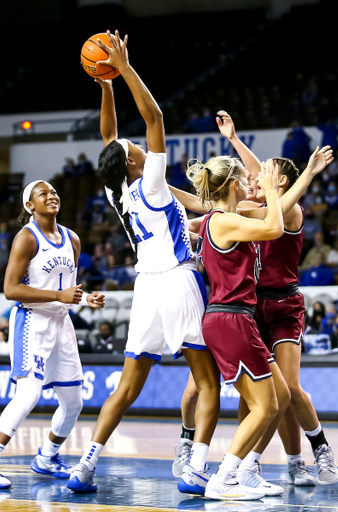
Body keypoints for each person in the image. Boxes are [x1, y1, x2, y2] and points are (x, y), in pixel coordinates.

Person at [67, 30, 221, 496]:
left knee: (127, 387)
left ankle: (85, 465)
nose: (137, 145)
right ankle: (195, 469)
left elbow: (109, 137)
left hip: (145, 290)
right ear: (136, 162)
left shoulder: (118, 190)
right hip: (177, 281)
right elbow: (153, 114)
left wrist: (107, 85)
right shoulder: (152, 181)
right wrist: (126, 66)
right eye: (136, 148)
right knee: (207, 380)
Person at [171, 111, 338, 487]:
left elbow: (267, 198)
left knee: (285, 390)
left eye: (263, 173)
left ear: (277, 181)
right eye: (249, 177)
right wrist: (161, 190)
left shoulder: (286, 209)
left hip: (279, 304)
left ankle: (309, 452)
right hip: (243, 308)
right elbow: (207, 199)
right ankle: (242, 465)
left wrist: (307, 174)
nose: (254, 176)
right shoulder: (241, 211)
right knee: (246, 394)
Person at [178, 153, 292, 501]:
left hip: (237, 317)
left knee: (281, 397)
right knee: (266, 407)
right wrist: (272, 190)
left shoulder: (225, 218)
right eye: (246, 178)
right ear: (232, 184)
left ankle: (245, 470)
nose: (250, 183)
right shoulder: (223, 221)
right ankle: (225, 477)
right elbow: (275, 227)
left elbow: (277, 218)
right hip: (231, 318)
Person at [0, 180, 105, 490]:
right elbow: (10, 289)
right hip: (32, 321)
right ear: (29, 205)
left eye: (55, 192)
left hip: (62, 323)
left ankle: (47, 457)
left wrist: (86, 299)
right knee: (29, 394)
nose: (52, 196)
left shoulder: (72, 238)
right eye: (43, 193)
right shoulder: (26, 238)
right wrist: (60, 296)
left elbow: (68, 289)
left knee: (74, 402)